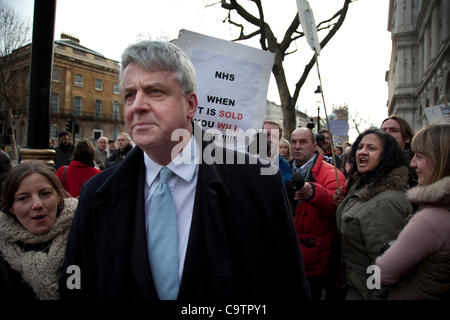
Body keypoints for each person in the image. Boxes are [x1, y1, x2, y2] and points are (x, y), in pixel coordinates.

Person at [59, 40, 310, 301]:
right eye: (129, 95)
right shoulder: (96, 194)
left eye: (155, 91)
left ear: (191, 105)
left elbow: (289, 285)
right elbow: (76, 283)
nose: (138, 105)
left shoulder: (258, 184)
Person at [335, 129, 413, 300]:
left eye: (371, 148)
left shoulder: (386, 202)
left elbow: (382, 266)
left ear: (386, 156)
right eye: (360, 147)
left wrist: (373, 295)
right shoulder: (361, 187)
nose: (362, 152)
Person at [376, 124, 450, 300]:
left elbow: (382, 273)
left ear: (440, 159)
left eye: (420, 156)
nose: (412, 163)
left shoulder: (431, 219)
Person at [0, 162, 77, 299]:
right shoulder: (3, 247)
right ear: (11, 207)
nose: (37, 205)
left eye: (45, 194)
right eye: (23, 198)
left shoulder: (81, 234)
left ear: (58, 197)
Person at [288, 127, 346, 300]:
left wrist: (313, 193)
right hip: (285, 256)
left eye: (303, 142)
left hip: (312, 262)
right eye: (293, 142)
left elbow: (336, 209)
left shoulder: (332, 174)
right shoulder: (280, 170)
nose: (297, 146)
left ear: (314, 145)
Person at [381, 115, 417, 186]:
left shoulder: (415, 165)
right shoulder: (370, 163)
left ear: (407, 138)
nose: (386, 133)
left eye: (393, 130)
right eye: (383, 130)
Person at [262, 120, 292, 185]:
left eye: (274, 136)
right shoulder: (247, 160)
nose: (270, 140)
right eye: (266, 135)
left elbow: (286, 188)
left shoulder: (284, 165)